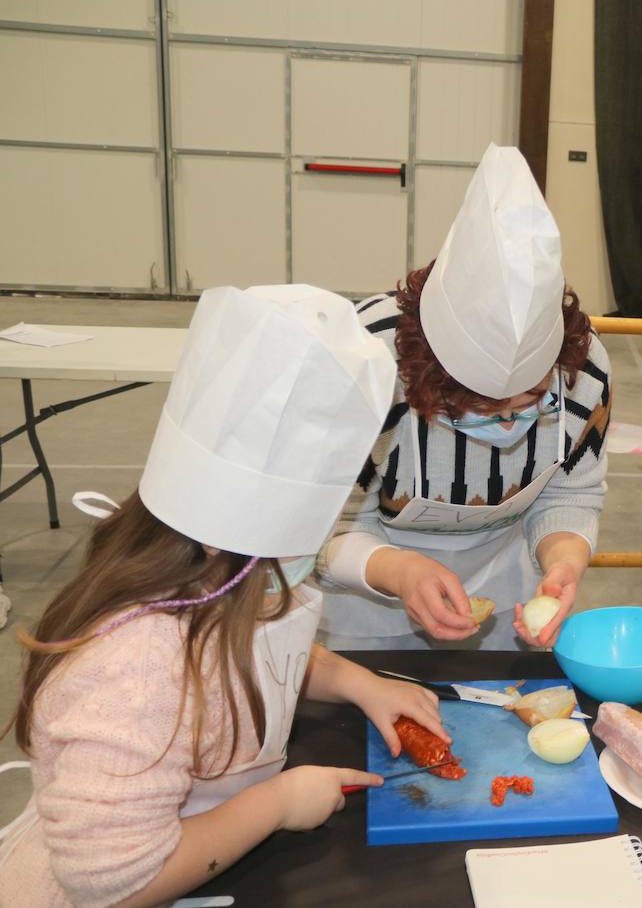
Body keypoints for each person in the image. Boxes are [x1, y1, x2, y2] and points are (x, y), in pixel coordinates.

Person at [0, 285, 446, 905]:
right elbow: (117, 885)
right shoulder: (131, 671)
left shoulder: (213, 589)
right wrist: (276, 804)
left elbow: (257, 653)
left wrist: (355, 681)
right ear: (226, 549)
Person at [316, 144, 611, 651]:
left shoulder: (583, 371)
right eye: (480, 407)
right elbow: (318, 525)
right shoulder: (362, 363)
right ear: (428, 371)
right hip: (363, 606)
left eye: (531, 400)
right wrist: (400, 570)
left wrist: (563, 560)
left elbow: (571, 494)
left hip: (502, 600)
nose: (506, 425)